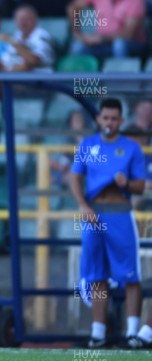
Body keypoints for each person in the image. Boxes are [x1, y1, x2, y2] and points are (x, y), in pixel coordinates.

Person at [68, 98, 145, 348]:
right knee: (97, 274)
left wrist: (127, 184)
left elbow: (140, 185)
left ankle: (133, 333)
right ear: (99, 119)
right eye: (106, 117)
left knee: (130, 274)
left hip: (120, 213)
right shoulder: (88, 145)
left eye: (114, 118)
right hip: (94, 213)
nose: (109, 122)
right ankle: (98, 332)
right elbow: (74, 177)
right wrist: (83, 205)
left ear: (121, 121)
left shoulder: (131, 148)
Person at [68, 0, 146, 58]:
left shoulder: (135, 1)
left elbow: (128, 34)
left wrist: (100, 39)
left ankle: (121, 78)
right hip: (102, 44)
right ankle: (79, 79)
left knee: (119, 45)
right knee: (77, 47)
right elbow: (73, 8)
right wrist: (77, 33)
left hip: (131, 43)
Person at [0, 4, 55, 72]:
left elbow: (33, 60)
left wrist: (13, 42)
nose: (22, 23)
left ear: (35, 19)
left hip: (41, 80)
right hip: (15, 79)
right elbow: (3, 65)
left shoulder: (43, 36)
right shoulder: (16, 36)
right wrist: (16, 68)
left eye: (26, 19)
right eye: (20, 19)